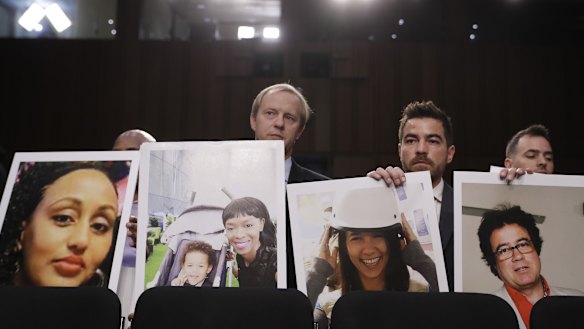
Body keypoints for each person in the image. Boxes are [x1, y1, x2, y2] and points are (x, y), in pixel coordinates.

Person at [306, 187, 438, 328]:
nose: (368, 250)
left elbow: (456, 311)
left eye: (378, 236)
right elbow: (294, 319)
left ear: (393, 242)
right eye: (356, 238)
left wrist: (420, 260)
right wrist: (318, 271)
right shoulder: (328, 306)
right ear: (344, 247)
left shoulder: (422, 294)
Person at [367, 100, 455, 289]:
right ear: (400, 150)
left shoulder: (464, 207)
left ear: (450, 153)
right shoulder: (380, 199)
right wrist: (370, 193)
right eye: (411, 140)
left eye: (432, 141)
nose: (421, 149)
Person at [250, 83, 330, 288]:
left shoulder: (323, 190)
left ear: (300, 130)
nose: (279, 123)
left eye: (289, 118)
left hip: (296, 310)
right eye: (270, 113)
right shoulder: (221, 180)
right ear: (253, 120)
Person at [0, 161, 119, 286]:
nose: (81, 241)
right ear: (23, 224)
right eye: (63, 218)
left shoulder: (107, 304)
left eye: (99, 226)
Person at [477, 204, 584, 329]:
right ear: (494, 264)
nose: (517, 256)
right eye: (504, 250)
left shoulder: (578, 301)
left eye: (522, 244)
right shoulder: (482, 315)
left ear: (536, 249)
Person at [112, 128, 156, 327]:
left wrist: (146, 248)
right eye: (117, 154)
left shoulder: (157, 209)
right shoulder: (99, 204)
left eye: (132, 151)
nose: (124, 160)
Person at [222, 196, 277, 287]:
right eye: (230, 228)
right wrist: (232, 264)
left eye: (248, 225)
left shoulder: (275, 259)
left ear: (261, 224)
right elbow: (246, 279)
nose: (239, 235)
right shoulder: (240, 257)